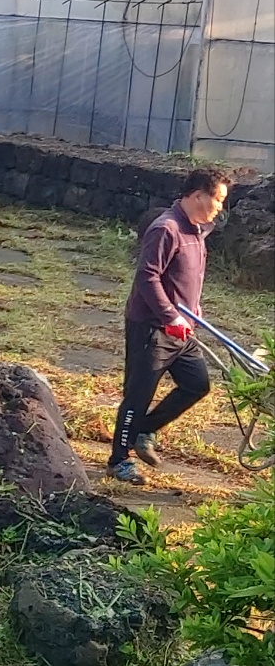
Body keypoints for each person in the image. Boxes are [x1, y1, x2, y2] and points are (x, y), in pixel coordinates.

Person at [107, 168, 230, 485]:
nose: (219, 207)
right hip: (152, 327)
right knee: (138, 394)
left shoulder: (197, 231)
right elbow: (147, 276)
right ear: (198, 195)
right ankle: (118, 460)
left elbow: (185, 278)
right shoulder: (167, 229)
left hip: (182, 327)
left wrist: (192, 309)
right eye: (217, 199)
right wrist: (169, 316)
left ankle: (145, 429)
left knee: (197, 384)